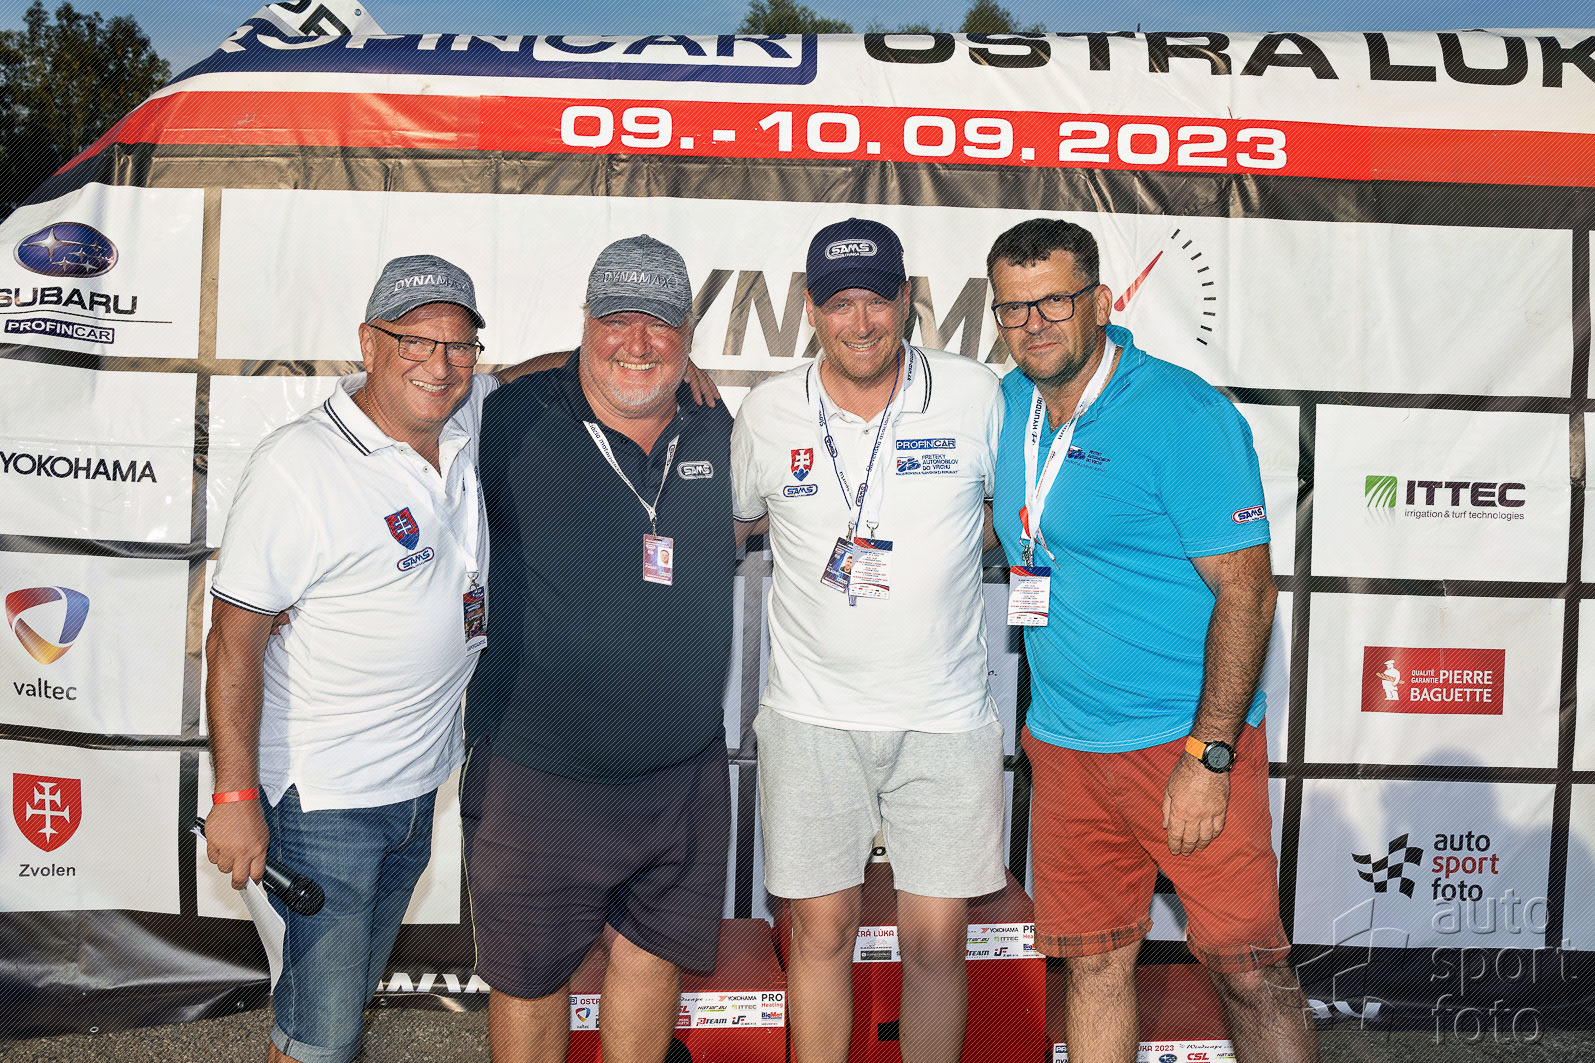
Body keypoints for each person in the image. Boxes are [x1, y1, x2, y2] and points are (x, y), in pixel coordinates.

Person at [987, 218, 1317, 1062]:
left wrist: (1209, 755)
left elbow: (1247, 590)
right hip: (1066, 746)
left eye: (1054, 301)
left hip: (1182, 745)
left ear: (1100, 302)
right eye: (1013, 307)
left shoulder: (1181, 412)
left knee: (1248, 970)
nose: (1033, 324)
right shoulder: (1005, 403)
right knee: (1094, 965)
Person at [204, 255, 497, 1063]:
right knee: (321, 1034)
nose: (439, 364)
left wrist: (647, 357)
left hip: (414, 788)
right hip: (323, 802)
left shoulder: (466, 420)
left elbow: (553, 375)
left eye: (459, 344)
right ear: (369, 344)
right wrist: (234, 793)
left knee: (333, 1007)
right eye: (415, 341)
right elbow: (232, 638)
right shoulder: (299, 464)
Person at [730, 218, 1006, 1063]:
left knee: (936, 940)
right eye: (839, 302)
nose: (860, 322)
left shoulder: (975, 394)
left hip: (945, 716)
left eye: (876, 300)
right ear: (810, 308)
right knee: (819, 932)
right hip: (811, 716)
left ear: (906, 300)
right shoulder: (768, 410)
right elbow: (735, 525)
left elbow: (1013, 518)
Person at [462, 235, 738, 1063]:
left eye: (659, 322)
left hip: (682, 773)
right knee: (530, 982)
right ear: (583, 319)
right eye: (616, 319)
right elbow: (408, 423)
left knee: (652, 963)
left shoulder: (719, 429)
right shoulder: (508, 419)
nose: (637, 342)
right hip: (538, 776)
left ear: (688, 332)